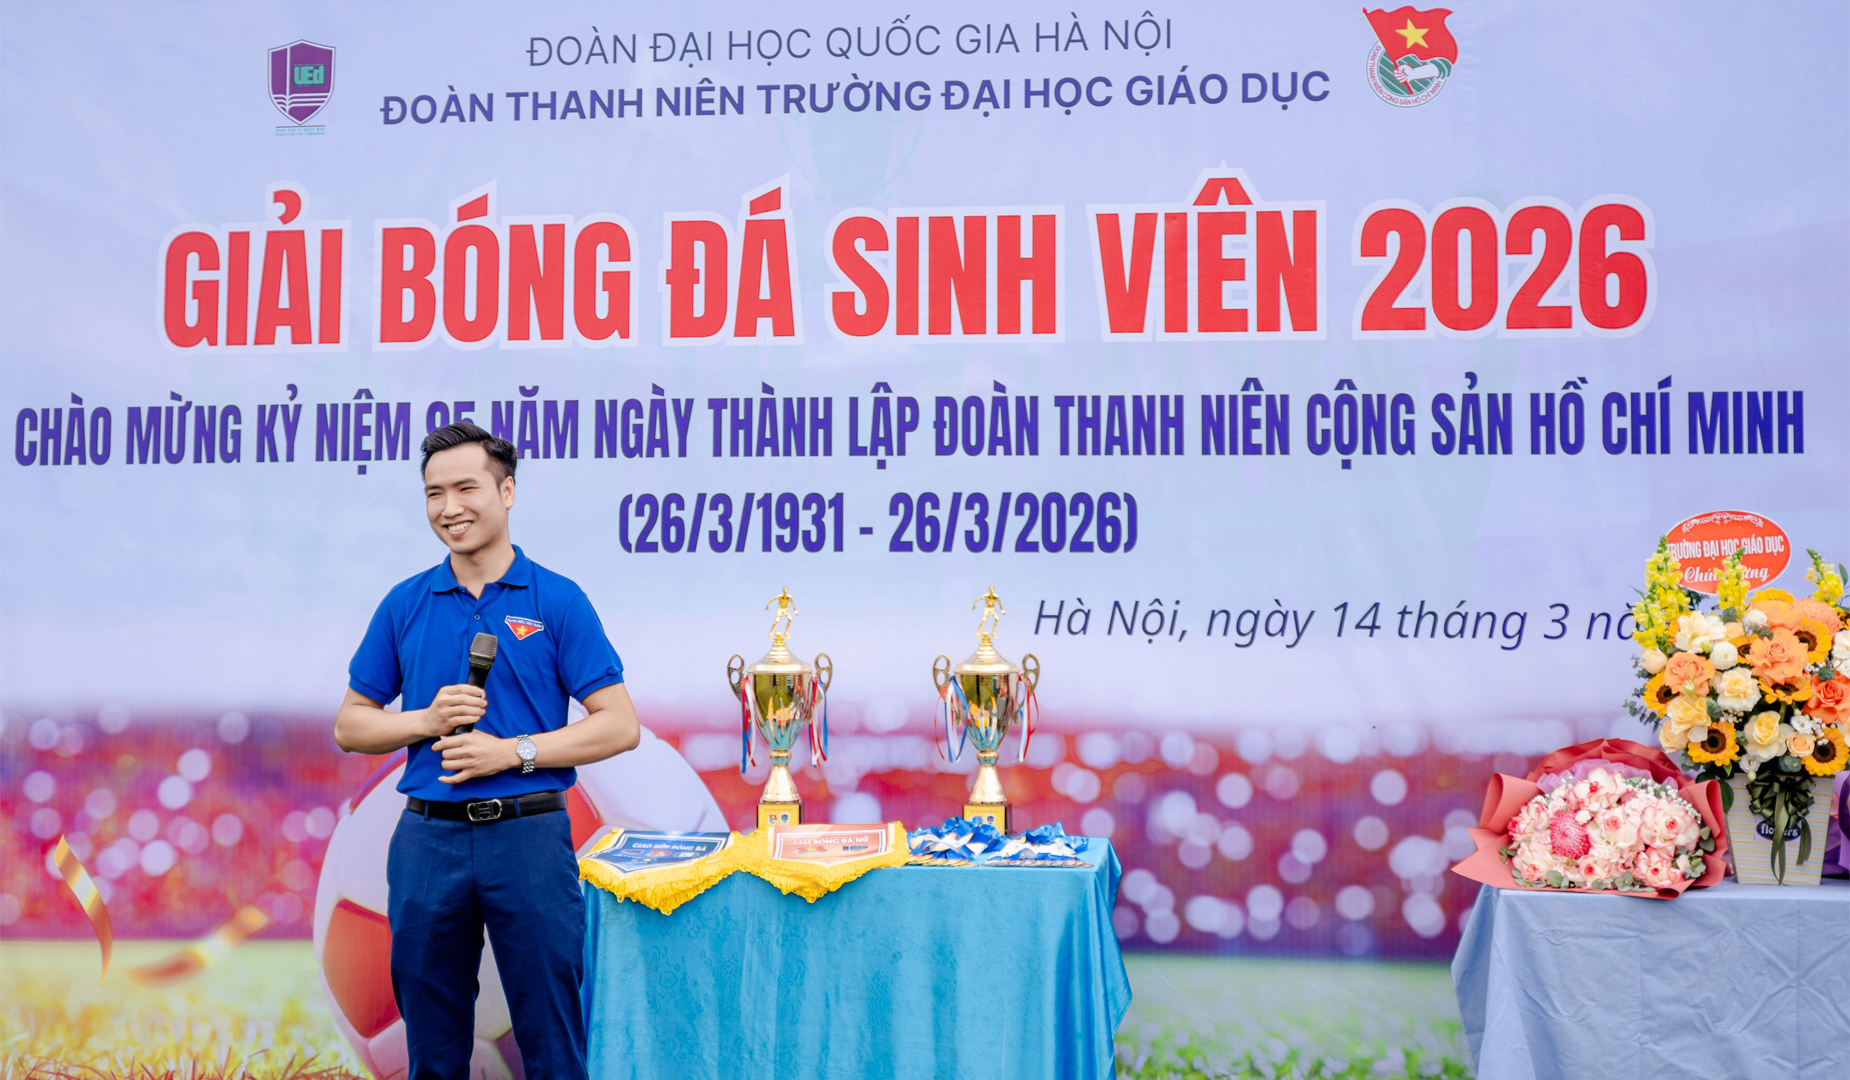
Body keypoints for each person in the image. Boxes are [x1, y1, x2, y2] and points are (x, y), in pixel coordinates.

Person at [333, 422, 638, 1080]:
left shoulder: (557, 599)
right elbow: (351, 726)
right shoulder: (405, 603)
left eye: (466, 488)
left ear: (507, 491)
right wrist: (424, 719)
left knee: (551, 1036)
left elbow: (619, 725)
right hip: (427, 840)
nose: (449, 508)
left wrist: (513, 753)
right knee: (433, 1043)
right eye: (434, 493)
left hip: (529, 838)